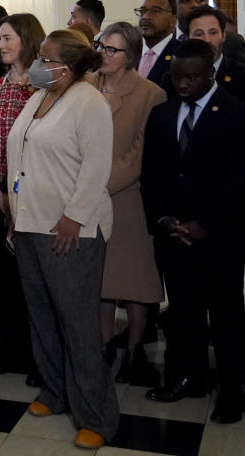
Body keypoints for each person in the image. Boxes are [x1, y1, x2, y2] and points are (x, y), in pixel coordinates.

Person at [6, 29, 118, 449]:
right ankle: (55, 392)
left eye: (47, 58)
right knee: (43, 317)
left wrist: (75, 216)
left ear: (66, 67)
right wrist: (15, 217)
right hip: (30, 224)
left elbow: (96, 165)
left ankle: (97, 416)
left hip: (71, 229)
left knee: (77, 323)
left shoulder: (88, 102)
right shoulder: (39, 98)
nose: (38, 63)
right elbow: (21, 156)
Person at [141, 39, 245, 424]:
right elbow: (151, 174)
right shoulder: (162, 114)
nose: (183, 84)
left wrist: (205, 224)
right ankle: (189, 376)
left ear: (211, 73)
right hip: (173, 234)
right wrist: (164, 218)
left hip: (220, 235)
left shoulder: (236, 113)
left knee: (225, 313)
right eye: (177, 76)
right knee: (185, 310)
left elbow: (238, 180)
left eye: (192, 77)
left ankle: (231, 389)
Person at [89, 23, 166, 386]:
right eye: (101, 46)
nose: (103, 54)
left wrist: (100, 184)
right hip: (87, 200)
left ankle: (135, 350)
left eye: (112, 50)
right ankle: (104, 345)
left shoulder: (150, 94)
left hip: (130, 200)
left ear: (131, 56)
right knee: (101, 279)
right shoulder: (85, 88)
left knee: (135, 281)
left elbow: (141, 153)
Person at [0, 13, 45, 382]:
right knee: (3, 282)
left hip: (37, 196)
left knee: (33, 281)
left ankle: (40, 357)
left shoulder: (44, 90)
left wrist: (20, 199)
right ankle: (8, 348)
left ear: (26, 39)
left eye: (6, 38)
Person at [164, 5, 245, 102]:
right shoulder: (171, 80)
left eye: (213, 32)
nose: (207, 40)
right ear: (187, 38)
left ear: (223, 36)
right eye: (199, 34)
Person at [169, 0, 245, 64]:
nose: (194, 5)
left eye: (200, 0)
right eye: (186, 0)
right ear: (173, 7)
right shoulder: (166, 42)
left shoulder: (232, 41)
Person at [135, 0, 180, 86]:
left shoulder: (181, 53)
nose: (146, 17)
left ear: (173, 20)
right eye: (142, 11)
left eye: (155, 11)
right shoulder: (130, 53)